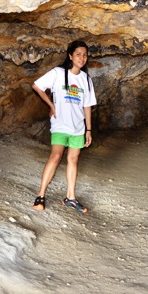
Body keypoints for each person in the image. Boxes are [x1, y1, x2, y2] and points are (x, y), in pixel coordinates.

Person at [32, 40, 97, 213]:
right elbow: (37, 86)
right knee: (55, 156)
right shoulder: (58, 73)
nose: (82, 58)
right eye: (78, 54)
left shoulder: (86, 80)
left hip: (78, 128)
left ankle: (71, 197)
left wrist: (88, 130)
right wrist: (51, 105)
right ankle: (40, 195)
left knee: (73, 160)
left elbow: (87, 106)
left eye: (84, 55)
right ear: (70, 56)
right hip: (60, 124)